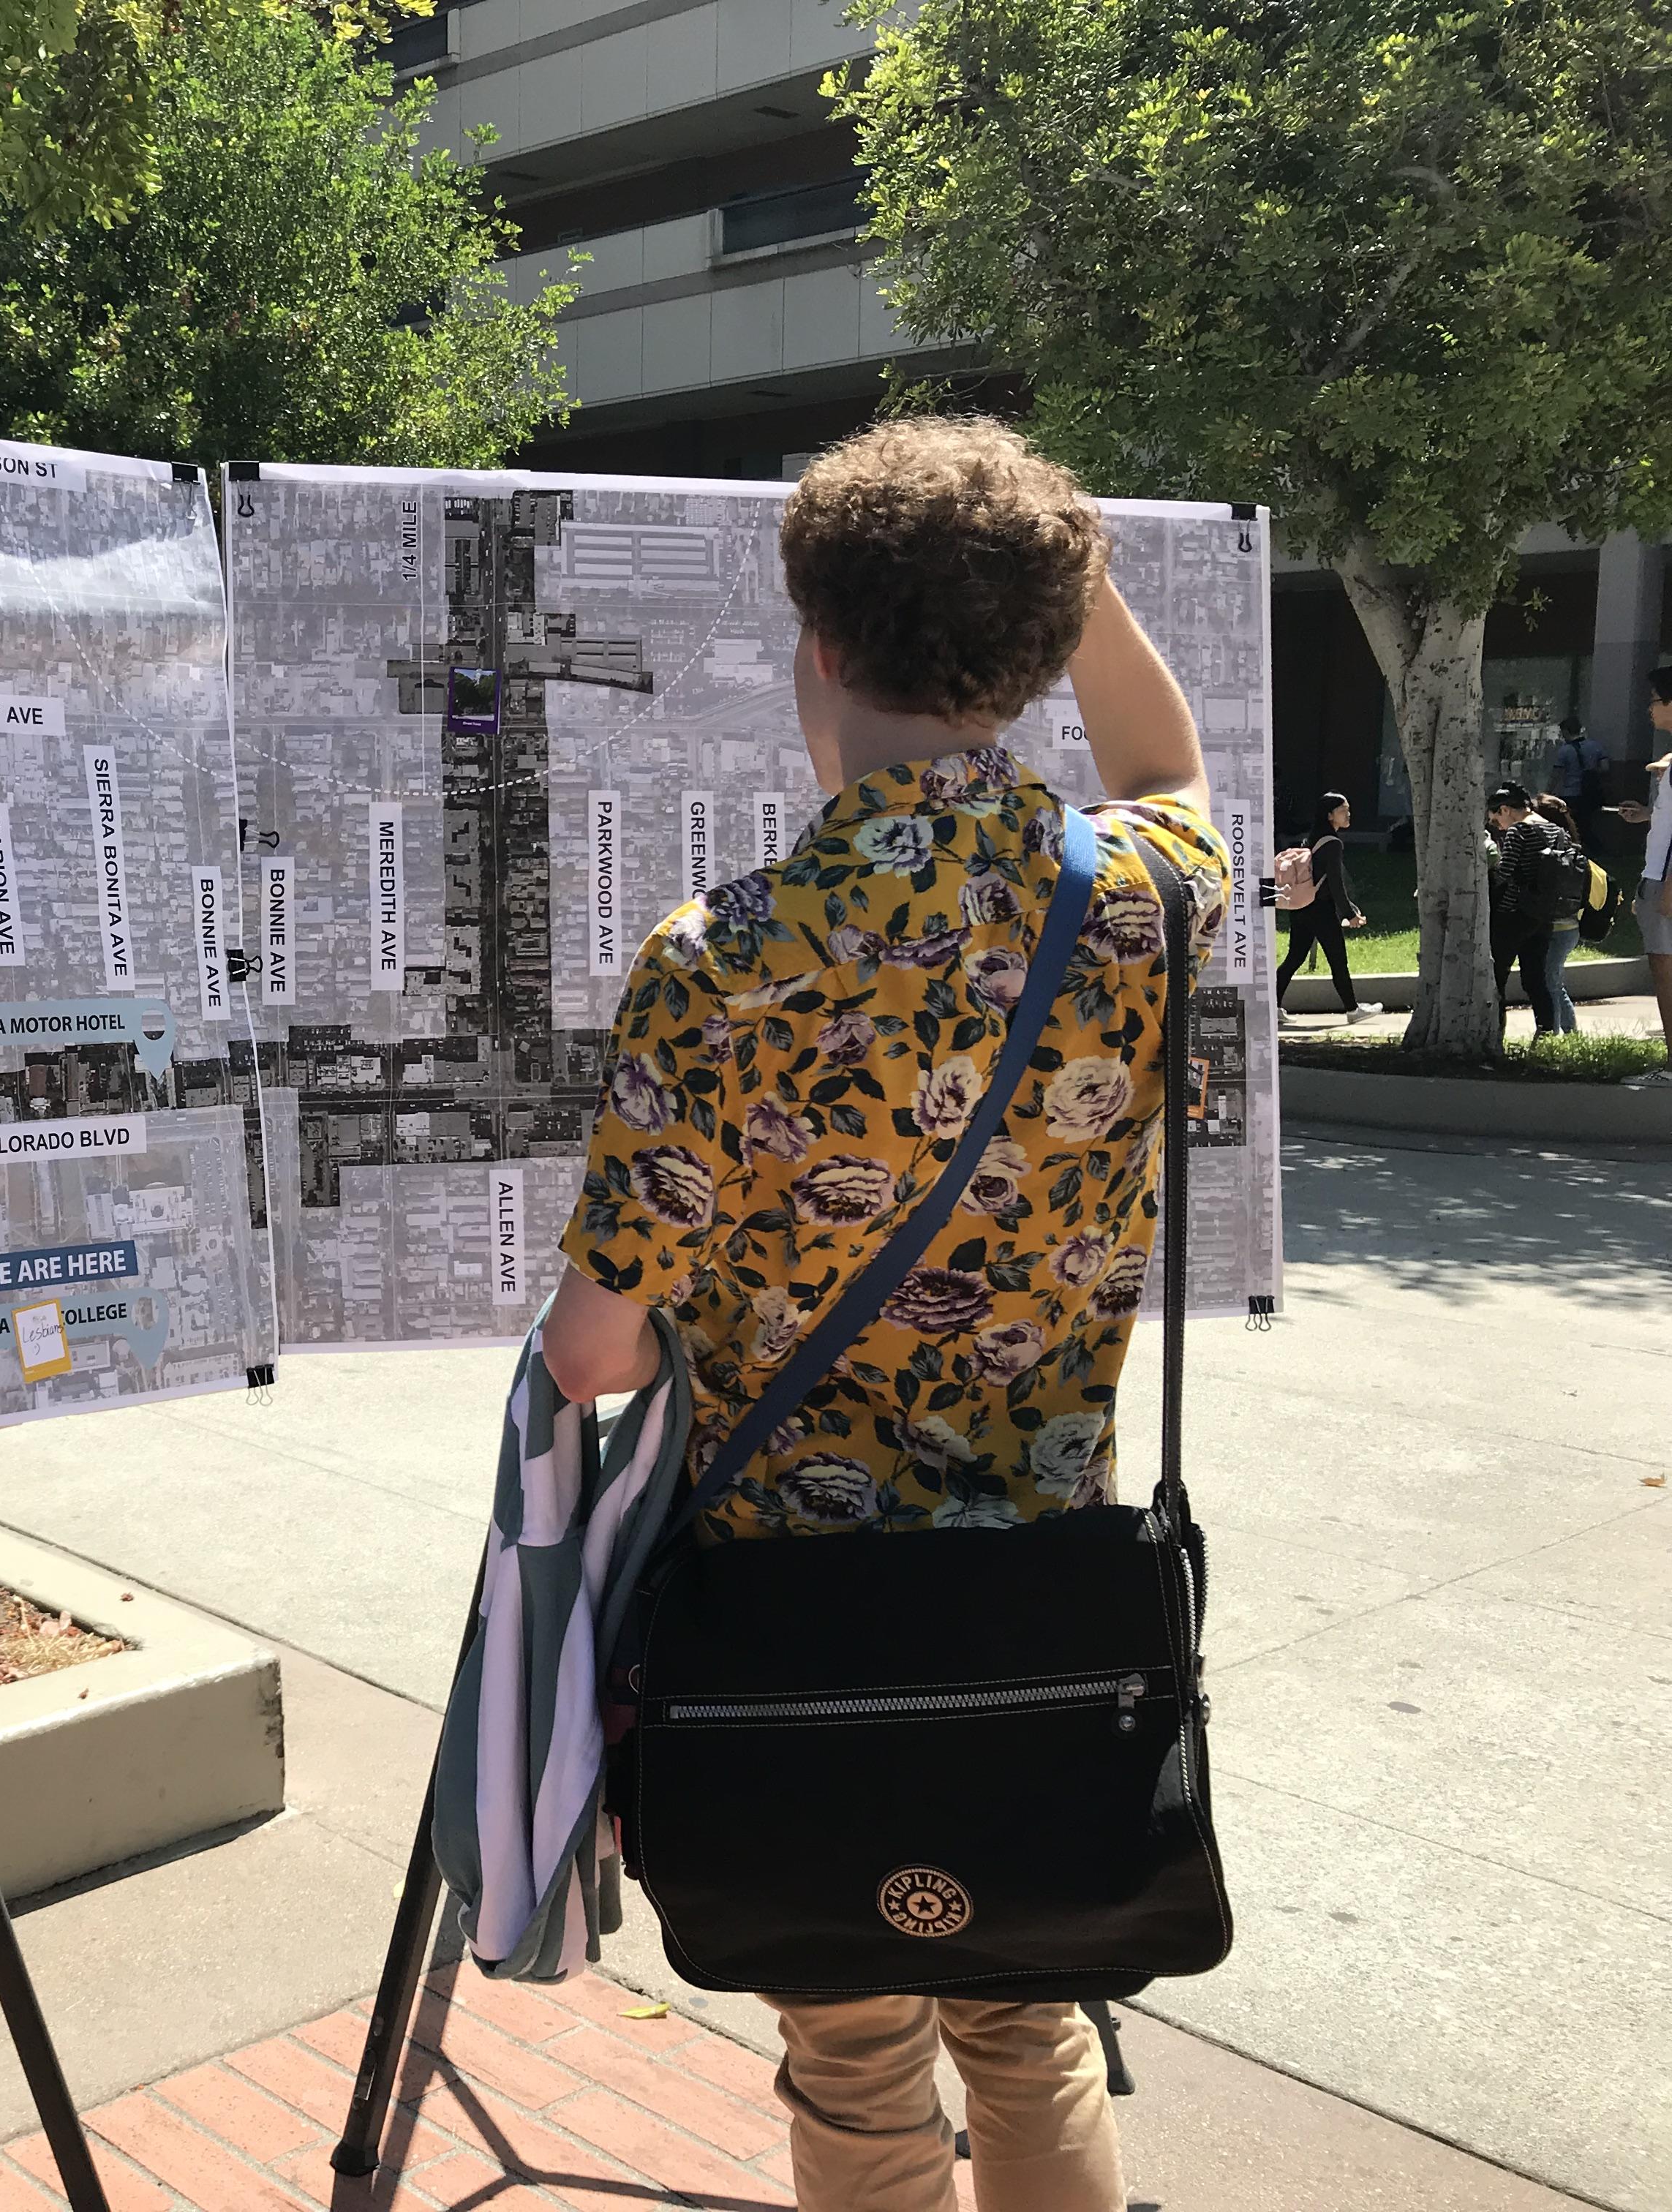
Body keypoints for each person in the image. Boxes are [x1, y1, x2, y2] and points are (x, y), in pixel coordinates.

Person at [541, 416, 1224, 2212]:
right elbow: (1170, 758)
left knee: (854, 2051)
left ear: (821, 648)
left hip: (794, 1615)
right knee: (1029, 2017)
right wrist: (1069, 583)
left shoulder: (723, 955)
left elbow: (593, 1356)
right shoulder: (1137, 904)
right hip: (1043, 1599)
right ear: (1031, 649)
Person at [1613, 667, 1672, 1087]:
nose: (1649, 707)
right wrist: (1650, 813)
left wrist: (1667, 889)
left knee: (1667, 977)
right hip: (1657, 879)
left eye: (1654, 699)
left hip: (1666, 882)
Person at [1275, 791, 1377, 1020]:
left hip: (1302, 905)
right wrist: (1349, 914)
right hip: (1321, 910)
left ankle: (1273, 1005)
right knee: (1338, 959)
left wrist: (1349, 907)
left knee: (1295, 957)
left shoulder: (1312, 838)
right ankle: (1353, 1010)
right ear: (1330, 815)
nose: (1348, 815)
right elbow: (1334, 883)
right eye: (1343, 811)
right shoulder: (1332, 843)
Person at [1488, 783, 1567, 1039]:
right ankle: (1546, 1034)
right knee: (1535, 980)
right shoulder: (1556, 830)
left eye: (1496, 820)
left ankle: (1494, 1035)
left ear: (1505, 810)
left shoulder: (1518, 832)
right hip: (1544, 915)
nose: (1498, 827)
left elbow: (1504, 873)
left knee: (1496, 977)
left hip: (1514, 913)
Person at [1533, 794, 1592, 1034]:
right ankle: (1565, 1030)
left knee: (1551, 983)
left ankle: (1560, 1030)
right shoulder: (1573, 850)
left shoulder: (1551, 853)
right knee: (1553, 981)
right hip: (1570, 928)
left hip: (1556, 929)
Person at [1548, 714, 1604, 849]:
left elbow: (1557, 774)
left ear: (1566, 731)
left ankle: (1578, 848)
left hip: (1570, 794)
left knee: (1571, 825)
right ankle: (1594, 849)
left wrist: (1547, 793)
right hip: (1590, 793)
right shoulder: (1595, 746)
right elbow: (1605, 768)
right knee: (1587, 824)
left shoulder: (1565, 751)